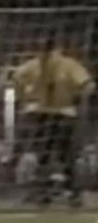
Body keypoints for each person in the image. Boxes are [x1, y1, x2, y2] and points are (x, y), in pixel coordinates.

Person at [6, 34, 95, 202]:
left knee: (45, 153)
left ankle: (46, 187)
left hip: (42, 113)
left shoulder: (34, 65)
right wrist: (79, 98)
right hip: (61, 113)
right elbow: (88, 85)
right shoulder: (68, 64)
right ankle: (65, 189)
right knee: (62, 153)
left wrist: (25, 98)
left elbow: (13, 80)